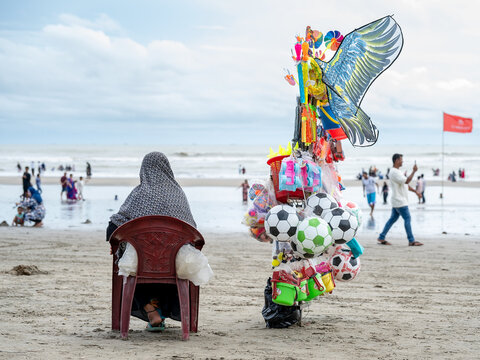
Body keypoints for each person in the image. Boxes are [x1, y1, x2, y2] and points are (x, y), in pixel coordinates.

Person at [106, 152, 197, 332]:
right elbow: (192, 231)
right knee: (165, 259)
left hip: (143, 264)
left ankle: (150, 309)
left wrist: (115, 244)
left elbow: (113, 227)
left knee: (129, 259)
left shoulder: (139, 194)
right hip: (175, 263)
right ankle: (160, 312)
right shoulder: (178, 194)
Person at [377, 154, 423, 246]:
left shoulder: (397, 171)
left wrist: (415, 192)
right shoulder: (394, 172)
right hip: (400, 201)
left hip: (397, 200)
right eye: (401, 160)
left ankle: (381, 237)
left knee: (392, 219)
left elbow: (405, 184)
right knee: (407, 218)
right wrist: (414, 171)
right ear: (396, 160)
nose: (402, 161)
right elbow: (406, 181)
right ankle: (411, 240)